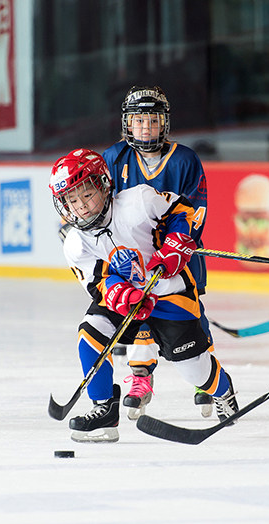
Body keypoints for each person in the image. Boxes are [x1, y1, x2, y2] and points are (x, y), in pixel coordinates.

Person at [50, 148, 239, 442]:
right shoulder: (75, 243)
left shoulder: (139, 201)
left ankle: (222, 390)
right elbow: (98, 283)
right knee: (91, 332)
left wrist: (176, 243)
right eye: (72, 201)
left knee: (193, 369)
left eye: (87, 194)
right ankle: (104, 410)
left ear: (103, 185)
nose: (82, 207)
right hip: (128, 303)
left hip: (170, 294)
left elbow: (182, 211)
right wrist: (123, 295)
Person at [102, 86, 217, 419]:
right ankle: (141, 377)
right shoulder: (114, 158)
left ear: (164, 123)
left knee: (192, 314)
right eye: (138, 121)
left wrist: (176, 246)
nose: (146, 128)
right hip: (135, 258)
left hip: (178, 256)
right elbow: (102, 206)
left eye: (152, 121)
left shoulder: (185, 160)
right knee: (140, 314)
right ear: (127, 124)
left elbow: (196, 209)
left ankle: (206, 379)